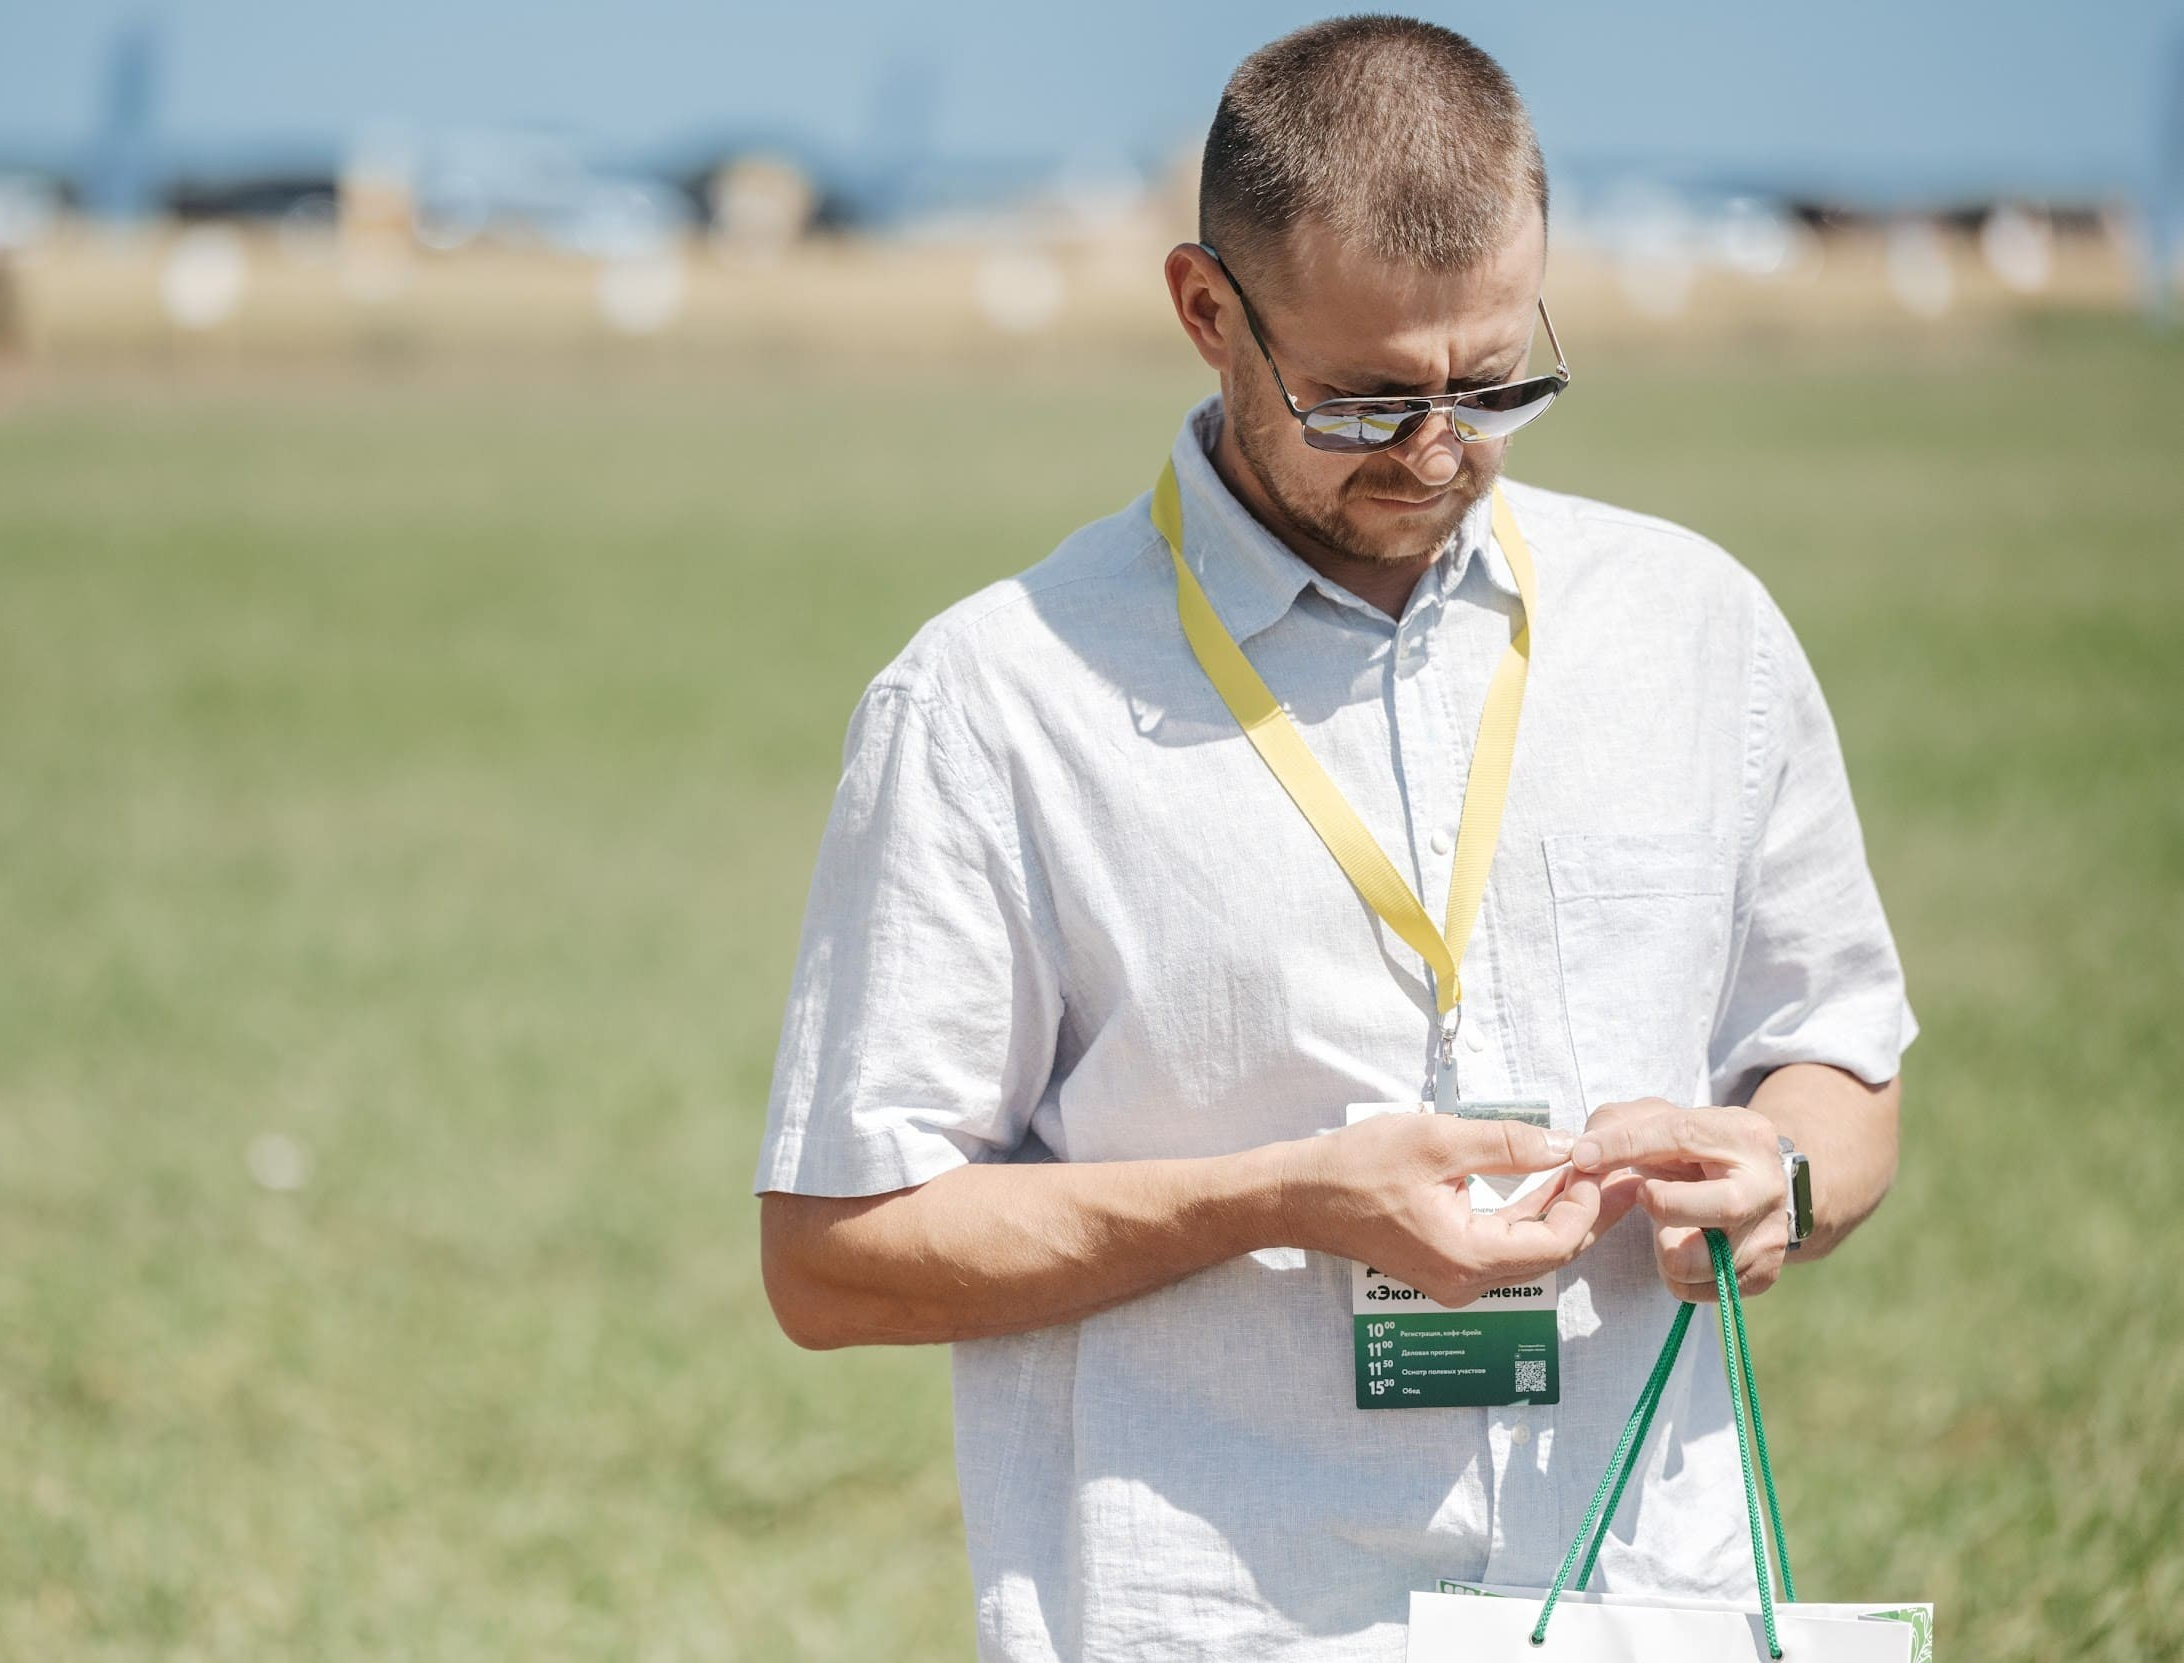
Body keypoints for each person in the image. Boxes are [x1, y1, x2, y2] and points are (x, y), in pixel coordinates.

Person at [752, 15, 1914, 1661]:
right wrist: (1283, 1199)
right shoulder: (991, 701)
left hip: (1648, 1602)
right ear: (1206, 311)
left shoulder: (1699, 628)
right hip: (1226, 1624)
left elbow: (1841, 1065)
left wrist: (1780, 1170)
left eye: (1498, 380)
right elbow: (835, 1260)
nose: (1441, 450)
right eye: (1369, 401)